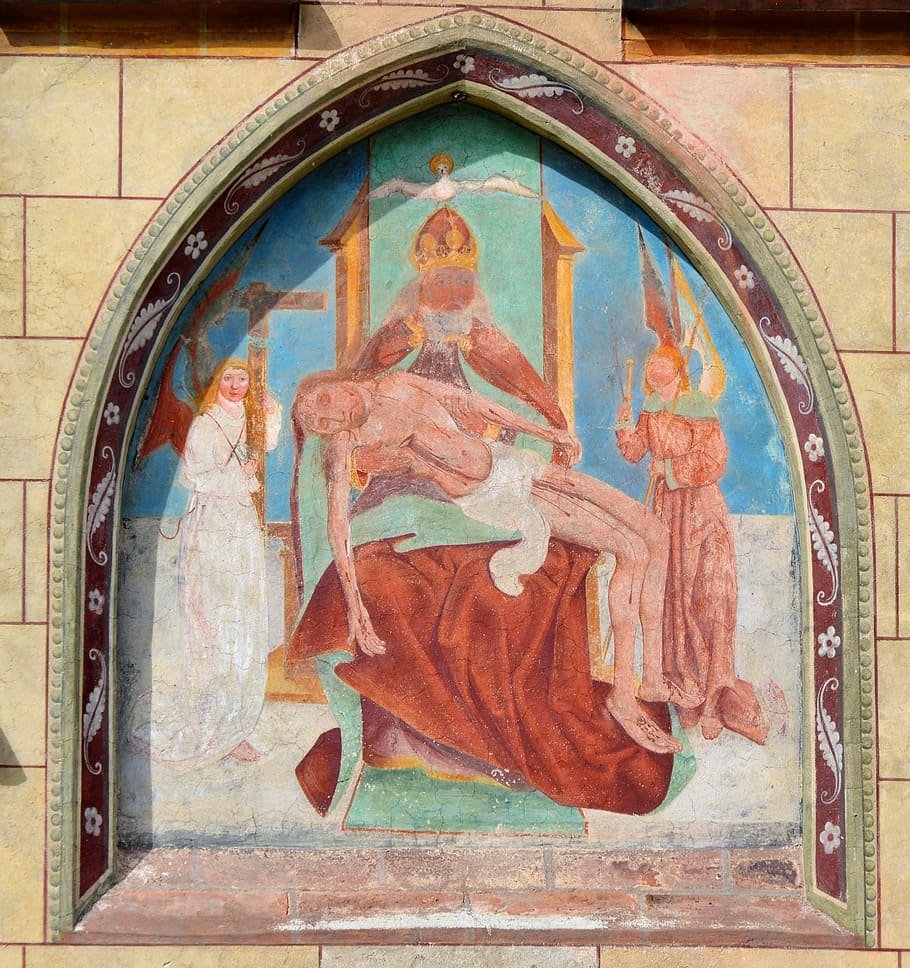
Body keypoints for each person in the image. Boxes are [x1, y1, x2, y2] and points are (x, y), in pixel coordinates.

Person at [294, 368, 683, 754]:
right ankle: (623, 698)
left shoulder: (398, 383)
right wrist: (356, 607)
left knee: (654, 531)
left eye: (325, 401)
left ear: (334, 383)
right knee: (630, 549)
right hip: (495, 496)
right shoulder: (351, 445)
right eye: (322, 424)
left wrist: (547, 433)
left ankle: (651, 675)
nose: (333, 417)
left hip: (509, 463)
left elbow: (473, 403)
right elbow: (337, 527)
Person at [615, 344, 768, 744]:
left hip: (701, 510)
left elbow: (714, 460)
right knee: (673, 601)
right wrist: (623, 426)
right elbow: (634, 452)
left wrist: (668, 468)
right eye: (650, 361)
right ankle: (688, 696)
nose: (653, 366)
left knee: (710, 598)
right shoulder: (651, 407)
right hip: (668, 513)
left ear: (678, 368)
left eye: (661, 361)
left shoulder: (698, 405)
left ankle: (716, 695)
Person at [141, 357, 282, 768]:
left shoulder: (250, 421)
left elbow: (267, 443)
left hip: (241, 524)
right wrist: (239, 475)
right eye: (229, 378)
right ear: (217, 382)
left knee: (242, 621)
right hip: (211, 528)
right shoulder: (205, 425)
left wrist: (272, 411)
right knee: (213, 624)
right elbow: (194, 477)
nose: (236, 385)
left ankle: (236, 723)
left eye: (243, 378)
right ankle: (212, 723)